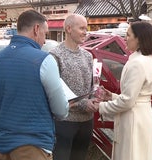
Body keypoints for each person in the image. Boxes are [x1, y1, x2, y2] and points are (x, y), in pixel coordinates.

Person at [0, 10, 70, 160]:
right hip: (34, 146)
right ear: (36, 29)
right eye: (45, 33)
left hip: (3, 146)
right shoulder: (44, 60)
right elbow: (61, 110)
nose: (45, 41)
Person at [94, 21, 152, 160]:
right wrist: (112, 96)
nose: (125, 38)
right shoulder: (147, 60)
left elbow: (128, 101)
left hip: (133, 119)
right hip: (142, 116)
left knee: (131, 155)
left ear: (139, 39)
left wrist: (101, 106)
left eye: (128, 35)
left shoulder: (137, 63)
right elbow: (137, 96)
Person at [49, 14, 97, 160]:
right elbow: (54, 91)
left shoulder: (88, 56)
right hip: (65, 123)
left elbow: (91, 85)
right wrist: (83, 104)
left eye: (86, 28)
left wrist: (95, 98)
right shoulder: (55, 55)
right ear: (69, 29)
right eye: (81, 28)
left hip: (87, 122)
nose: (85, 32)